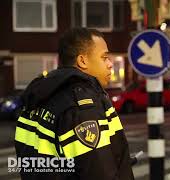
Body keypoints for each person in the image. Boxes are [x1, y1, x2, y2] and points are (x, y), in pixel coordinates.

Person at [14, 28, 134, 180]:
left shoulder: (42, 95)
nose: (110, 64)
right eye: (104, 57)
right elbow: (96, 171)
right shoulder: (82, 106)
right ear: (82, 61)